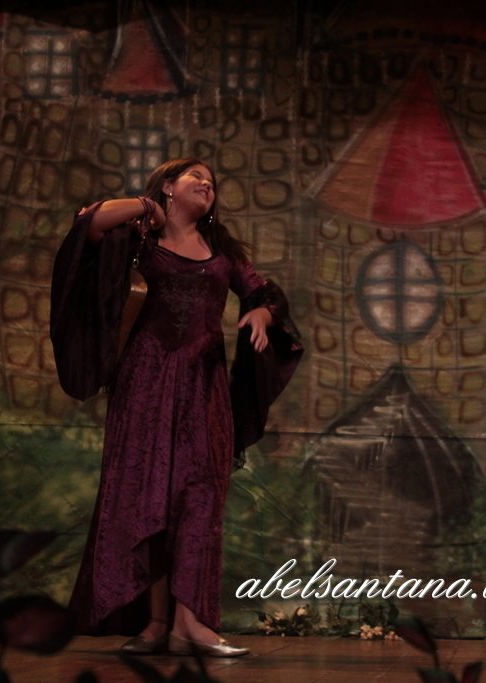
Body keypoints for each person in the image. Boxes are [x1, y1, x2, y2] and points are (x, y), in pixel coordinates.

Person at [50, 157, 303, 656]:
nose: (207, 184)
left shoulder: (222, 250)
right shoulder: (139, 239)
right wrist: (146, 207)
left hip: (203, 384)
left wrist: (259, 313)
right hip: (144, 382)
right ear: (169, 185)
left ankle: (192, 624)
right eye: (196, 177)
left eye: (212, 181)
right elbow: (89, 222)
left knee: (200, 497)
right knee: (148, 499)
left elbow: (265, 294)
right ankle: (156, 623)